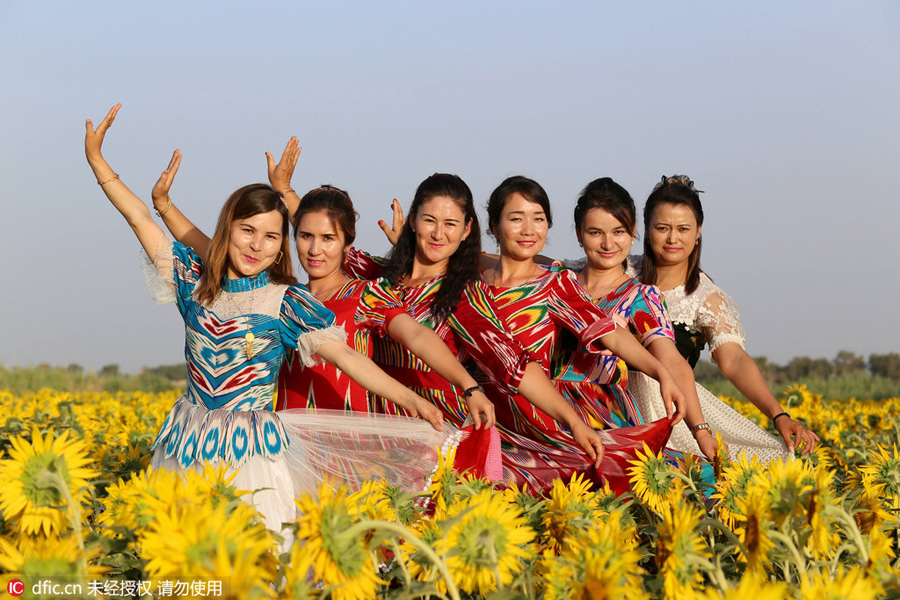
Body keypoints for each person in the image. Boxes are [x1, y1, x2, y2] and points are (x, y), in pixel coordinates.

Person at [85, 105, 458, 538]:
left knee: (256, 559)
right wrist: (98, 161)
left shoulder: (286, 301)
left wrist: (411, 401)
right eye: (247, 230)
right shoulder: (195, 283)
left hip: (251, 456)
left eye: (272, 236)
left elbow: (348, 359)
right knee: (176, 553)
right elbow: (139, 219)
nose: (256, 245)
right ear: (228, 229)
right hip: (185, 443)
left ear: (282, 244)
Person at [347, 173, 673, 493]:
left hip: (438, 425)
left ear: (467, 230)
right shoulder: (382, 281)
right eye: (430, 220)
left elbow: (513, 364)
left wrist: (575, 421)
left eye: (450, 224)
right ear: (413, 220)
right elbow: (331, 252)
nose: (438, 233)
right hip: (379, 420)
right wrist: (293, 196)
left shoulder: (463, 294)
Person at [479, 176, 693, 458]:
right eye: (595, 233)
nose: (607, 244)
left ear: (633, 233)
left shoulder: (637, 295)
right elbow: (506, 262)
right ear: (579, 234)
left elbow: (665, 356)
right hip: (541, 401)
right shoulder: (558, 277)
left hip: (602, 408)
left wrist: (698, 427)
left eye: (618, 232)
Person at [630, 175, 819, 458]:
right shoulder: (619, 271)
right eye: (662, 228)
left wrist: (779, 415)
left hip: (668, 412)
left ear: (698, 232)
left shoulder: (705, 298)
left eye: (683, 228)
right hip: (598, 398)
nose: (672, 238)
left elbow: (734, 359)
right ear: (646, 231)